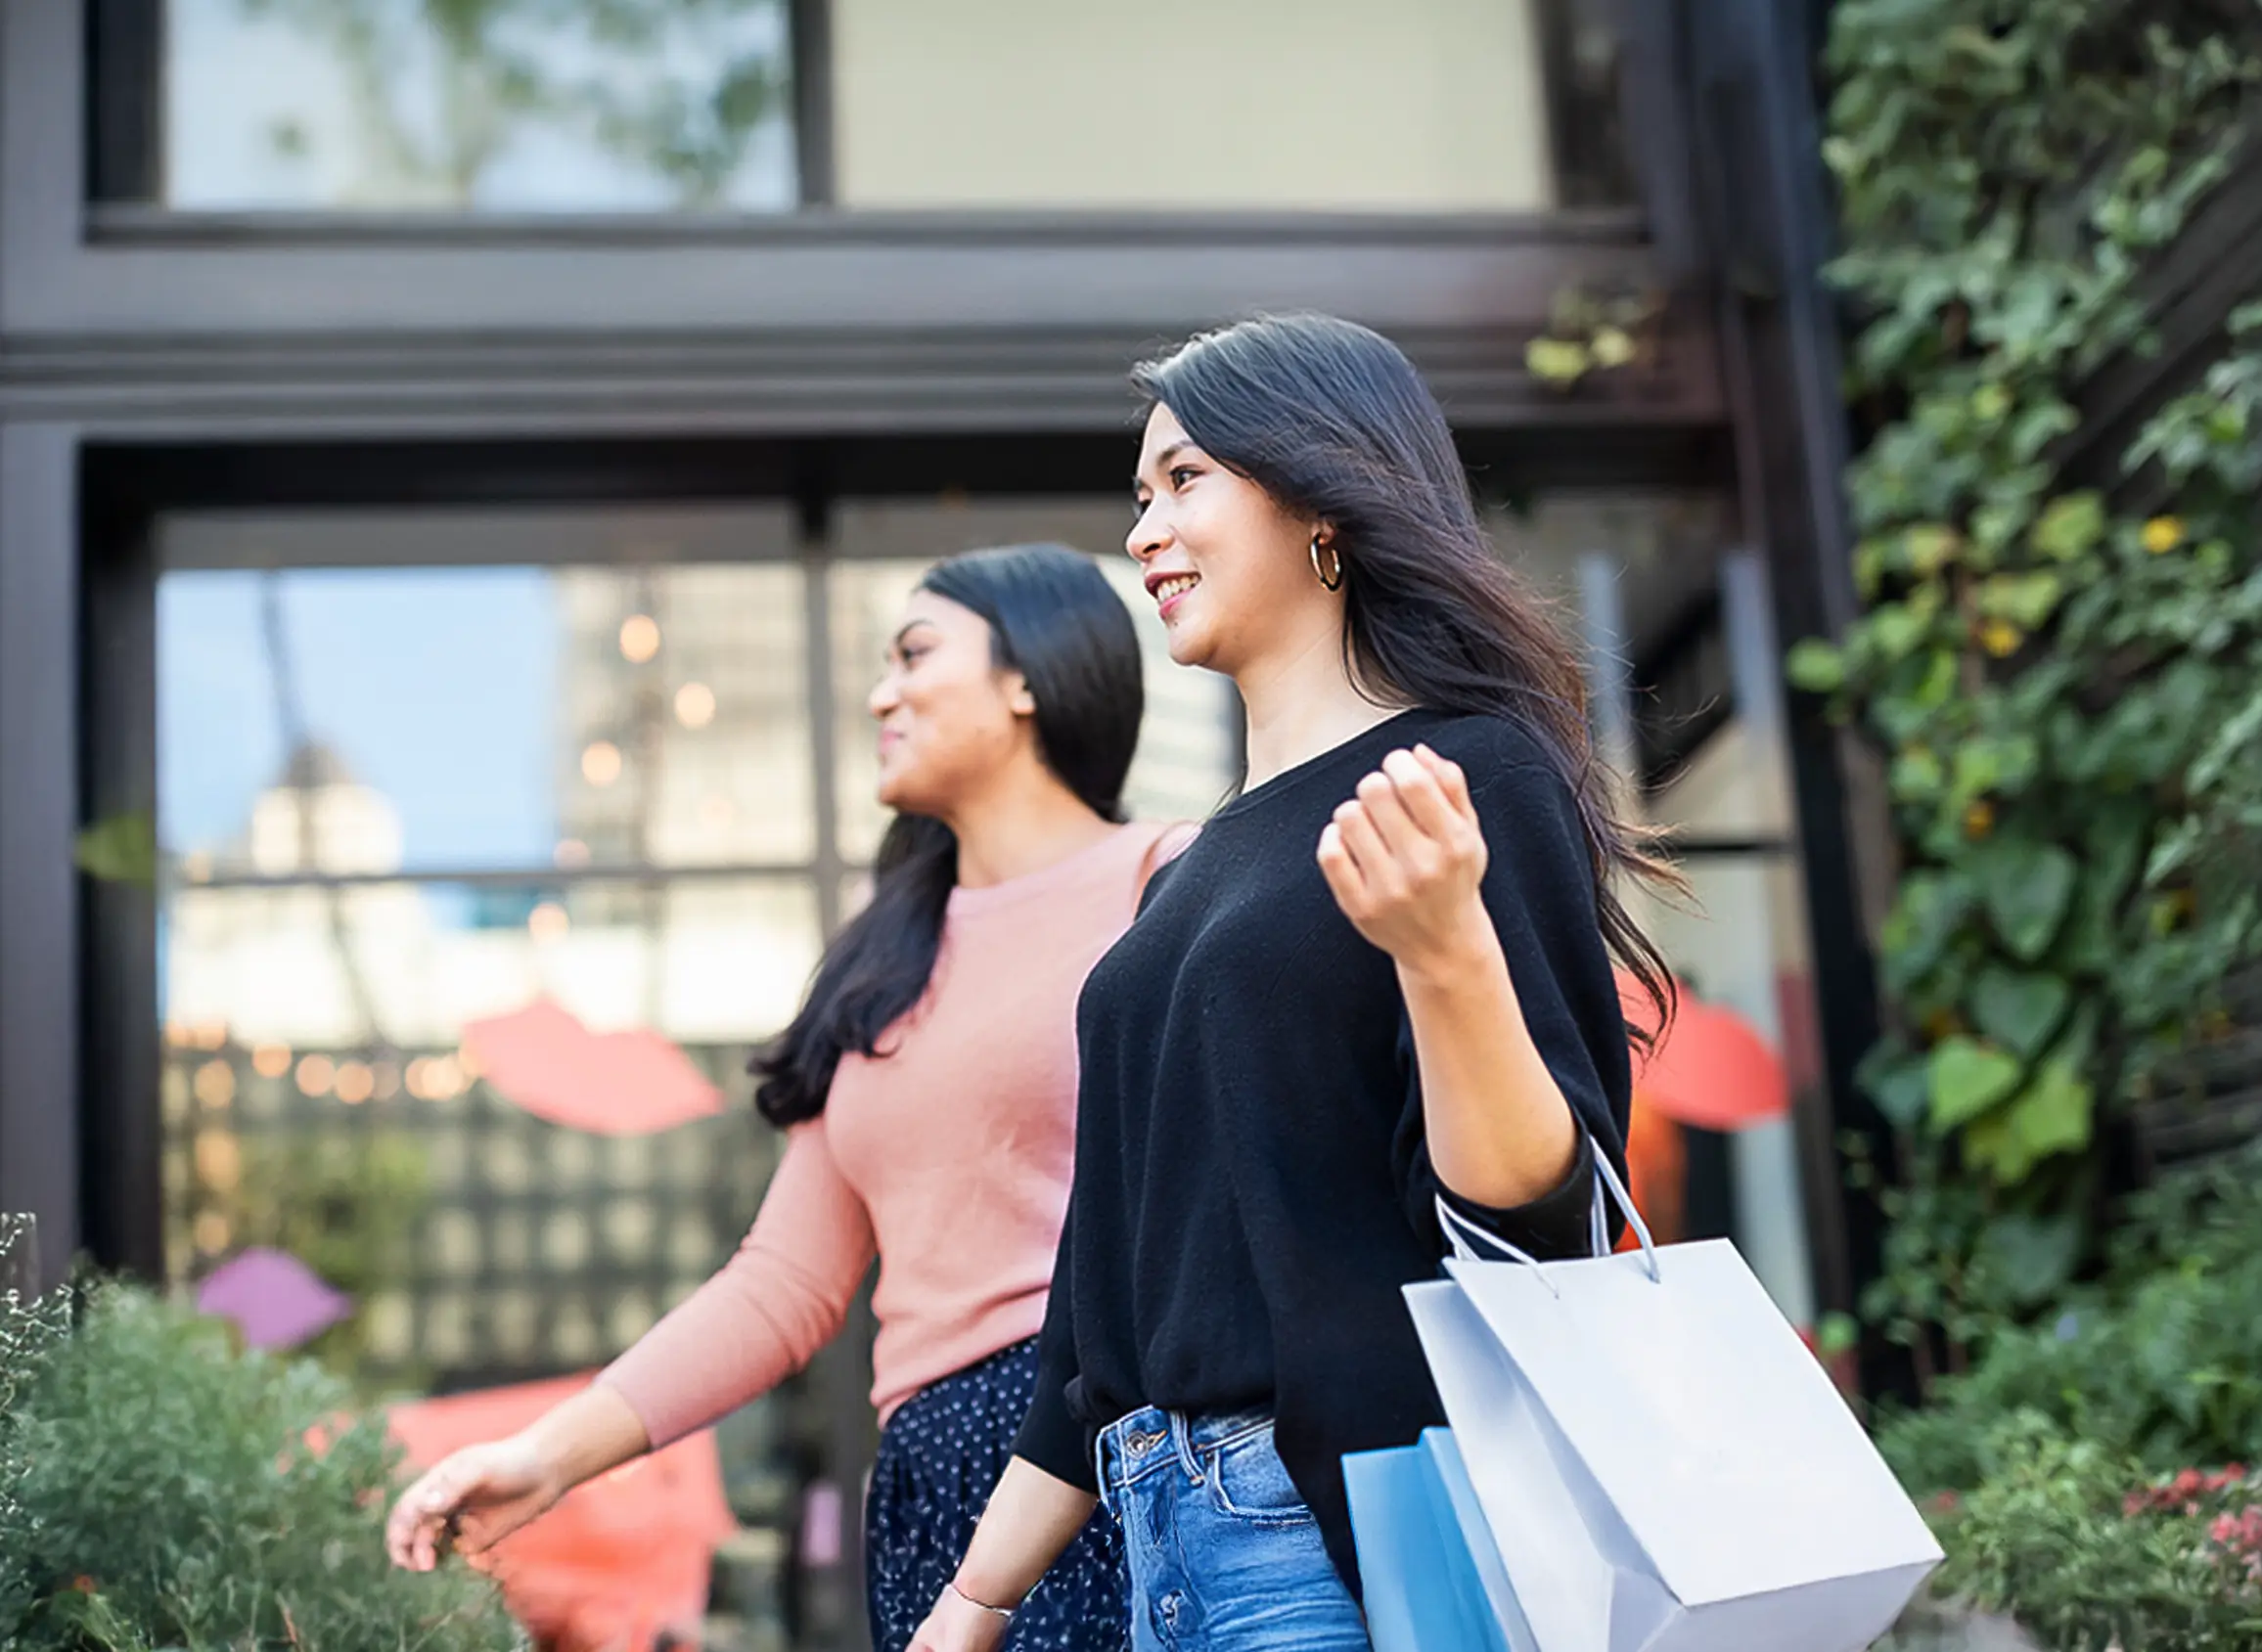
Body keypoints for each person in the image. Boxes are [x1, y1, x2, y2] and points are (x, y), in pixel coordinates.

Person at [908, 315, 1681, 1652]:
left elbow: (1532, 1217)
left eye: (1185, 481)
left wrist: (1445, 954)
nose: (1145, 531)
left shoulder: (1463, 775)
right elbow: (1100, 1310)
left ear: (1320, 498)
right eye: (1138, 497)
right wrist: (976, 1599)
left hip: (1333, 1524)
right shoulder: (1196, 873)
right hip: (1161, 1525)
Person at [386, 543, 1186, 1652]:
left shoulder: (1165, 878)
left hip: (1103, 1457)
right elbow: (781, 1286)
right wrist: (546, 1457)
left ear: (1027, 677)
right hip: (923, 1480)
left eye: (913, 654)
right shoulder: (882, 959)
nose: (878, 694)